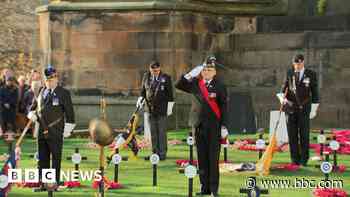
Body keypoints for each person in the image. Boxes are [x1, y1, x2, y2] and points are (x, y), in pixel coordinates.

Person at [175, 56, 228, 197]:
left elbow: (224, 107)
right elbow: (179, 85)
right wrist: (190, 74)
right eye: (204, 69)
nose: (206, 71)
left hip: (213, 127)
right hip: (198, 126)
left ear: (214, 72)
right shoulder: (196, 84)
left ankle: (214, 189)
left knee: (212, 158)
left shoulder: (220, 86)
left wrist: (224, 126)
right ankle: (204, 187)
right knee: (202, 158)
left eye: (209, 69)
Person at [26, 66, 75, 189]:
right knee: (43, 158)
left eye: (52, 79)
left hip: (56, 130)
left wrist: (68, 128)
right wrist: (31, 114)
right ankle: (43, 184)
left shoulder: (63, 93)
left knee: (55, 159)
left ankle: (53, 184)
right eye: (47, 80)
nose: (49, 82)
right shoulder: (41, 91)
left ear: (56, 78)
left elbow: (70, 113)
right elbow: (32, 108)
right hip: (42, 130)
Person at [280, 54, 320, 166]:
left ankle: (304, 159)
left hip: (304, 108)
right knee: (292, 135)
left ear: (303, 63)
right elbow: (283, 89)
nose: (297, 65)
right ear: (293, 63)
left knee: (304, 134)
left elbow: (315, 92)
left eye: (299, 63)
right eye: (295, 63)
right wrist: (282, 99)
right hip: (291, 109)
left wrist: (314, 108)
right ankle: (294, 160)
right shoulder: (289, 73)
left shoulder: (311, 74)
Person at [137, 61, 174, 160]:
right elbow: (143, 91)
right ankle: (154, 153)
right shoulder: (146, 77)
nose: (155, 72)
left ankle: (162, 154)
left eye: (157, 70)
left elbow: (170, 94)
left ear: (160, 69)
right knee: (153, 132)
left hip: (162, 109)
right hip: (149, 109)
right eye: (153, 71)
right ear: (150, 69)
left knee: (161, 132)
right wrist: (140, 99)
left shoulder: (166, 78)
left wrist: (169, 108)